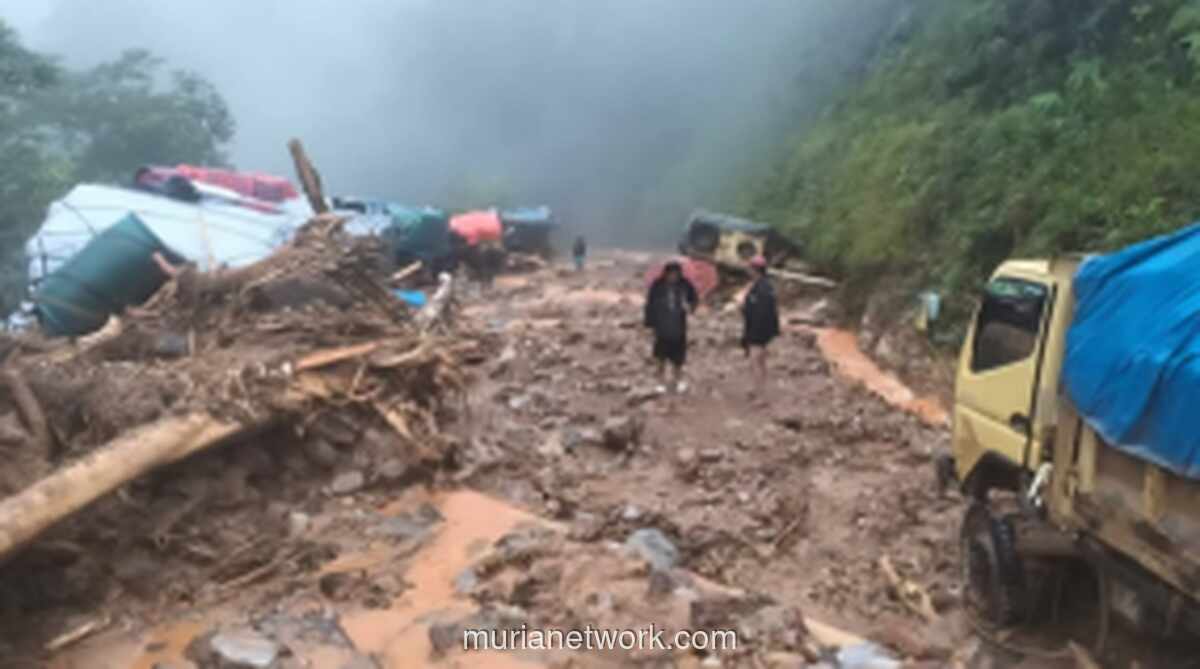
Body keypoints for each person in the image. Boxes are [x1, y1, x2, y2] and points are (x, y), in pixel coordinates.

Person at [644, 260, 698, 393]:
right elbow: (650, 304)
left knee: (678, 358)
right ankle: (660, 381)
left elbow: (694, 299)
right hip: (661, 325)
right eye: (671, 274)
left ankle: (677, 380)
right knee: (660, 357)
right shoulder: (657, 285)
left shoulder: (685, 285)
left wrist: (690, 307)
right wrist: (649, 324)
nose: (673, 276)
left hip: (678, 325)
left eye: (676, 274)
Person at [742, 255, 780, 399]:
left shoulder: (762, 288)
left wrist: (753, 332)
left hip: (758, 330)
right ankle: (757, 389)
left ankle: (761, 395)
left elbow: (762, 312)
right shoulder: (764, 285)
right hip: (762, 330)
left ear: (755, 270)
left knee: (755, 361)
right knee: (760, 361)